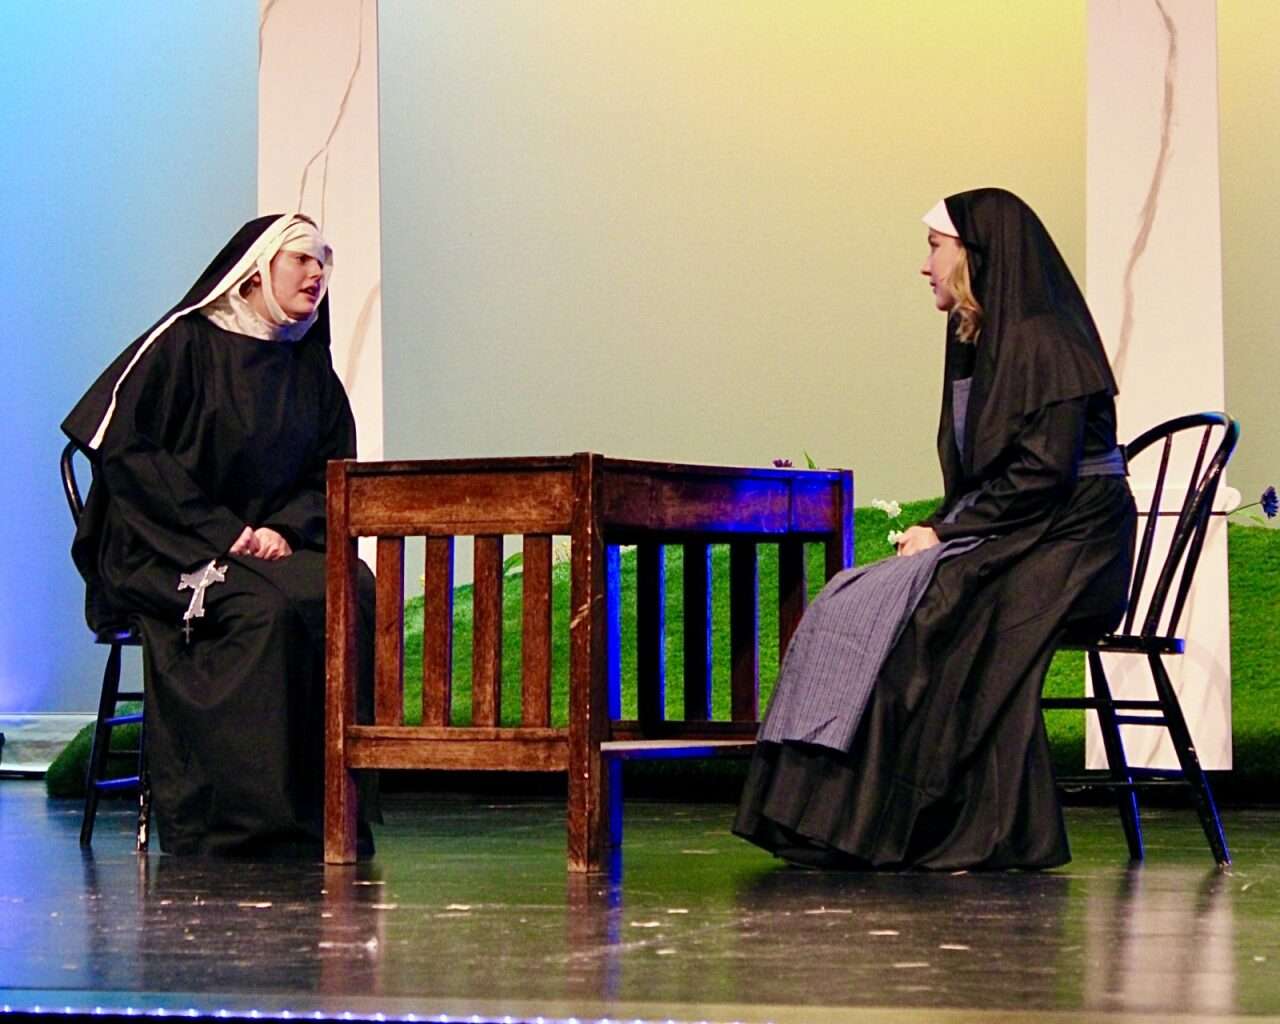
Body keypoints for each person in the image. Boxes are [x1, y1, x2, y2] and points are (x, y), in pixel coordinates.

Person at [734, 188, 1136, 870]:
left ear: (976, 253)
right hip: (1027, 527)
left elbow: (1043, 473)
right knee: (858, 599)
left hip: (1076, 540)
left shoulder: (1047, 338)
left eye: (934, 246)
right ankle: (818, 815)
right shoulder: (977, 334)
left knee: (942, 605)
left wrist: (948, 534)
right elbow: (994, 472)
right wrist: (943, 527)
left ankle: (937, 825)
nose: (924, 266)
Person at [63, 213, 376, 857]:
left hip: (264, 545)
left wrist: (284, 530)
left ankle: (328, 816)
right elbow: (128, 454)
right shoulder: (185, 345)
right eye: (302, 260)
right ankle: (237, 823)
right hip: (165, 543)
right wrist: (226, 532)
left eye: (324, 261)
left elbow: (331, 472)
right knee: (260, 610)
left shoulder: (308, 369)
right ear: (257, 272)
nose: (317, 273)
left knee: (349, 587)